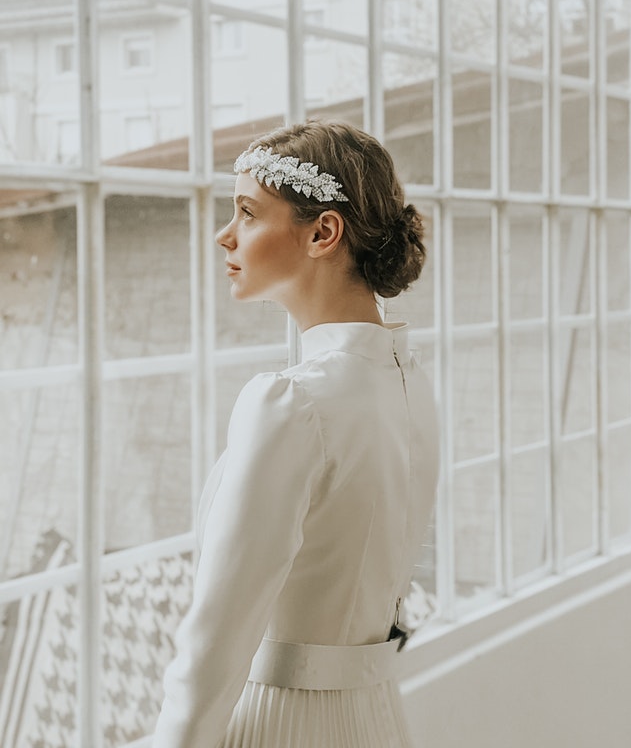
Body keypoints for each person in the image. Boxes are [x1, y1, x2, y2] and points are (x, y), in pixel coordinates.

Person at [152, 120, 439, 748]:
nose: (225, 235)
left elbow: (218, 632)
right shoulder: (410, 383)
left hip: (279, 724)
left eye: (248, 213)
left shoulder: (289, 402)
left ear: (322, 232)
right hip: (377, 719)